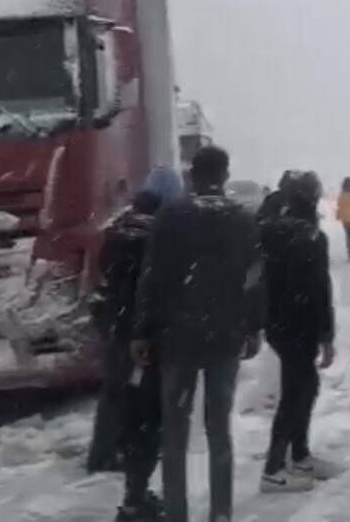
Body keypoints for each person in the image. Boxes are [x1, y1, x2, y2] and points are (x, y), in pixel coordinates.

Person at [132, 146, 264, 522]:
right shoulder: (242, 220)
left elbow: (152, 276)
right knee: (219, 430)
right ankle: (220, 514)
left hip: (178, 339)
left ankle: (177, 514)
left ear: (192, 175)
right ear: (223, 176)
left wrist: (142, 331)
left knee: (174, 435)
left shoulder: (171, 216)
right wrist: (254, 327)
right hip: (225, 338)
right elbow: (253, 280)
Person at [87, 165, 183, 520]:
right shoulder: (156, 232)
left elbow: (105, 271)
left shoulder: (121, 225)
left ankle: (103, 454)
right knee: (144, 409)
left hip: (115, 321)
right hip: (140, 331)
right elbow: (157, 284)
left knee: (116, 392)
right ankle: (134, 488)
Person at [259, 171, 337, 493]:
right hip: (301, 325)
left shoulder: (268, 230)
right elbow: (321, 290)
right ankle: (274, 470)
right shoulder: (312, 237)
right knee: (297, 392)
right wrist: (327, 336)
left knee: (302, 387)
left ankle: (299, 455)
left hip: (276, 324)